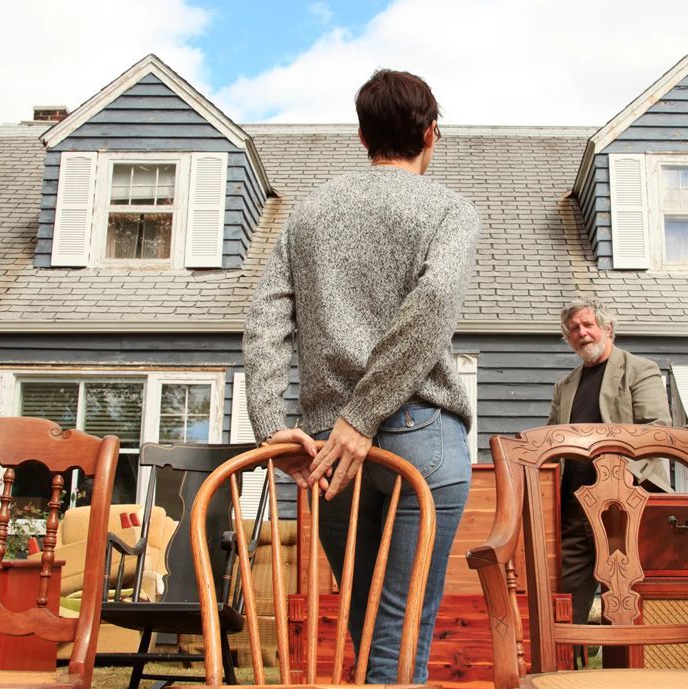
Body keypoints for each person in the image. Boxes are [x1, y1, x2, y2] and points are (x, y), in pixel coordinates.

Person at [242, 69, 479, 684]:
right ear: (431, 133)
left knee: (367, 624)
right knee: (398, 628)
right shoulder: (450, 210)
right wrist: (363, 418)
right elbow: (428, 314)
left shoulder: (309, 213)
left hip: (327, 450)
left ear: (360, 135)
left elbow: (266, 320)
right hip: (419, 436)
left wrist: (274, 426)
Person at [547, 296, 671, 629]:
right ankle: (566, 674)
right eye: (573, 329)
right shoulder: (564, 386)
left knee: (625, 594)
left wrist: (627, 475)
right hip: (574, 506)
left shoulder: (639, 369)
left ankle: (629, 675)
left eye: (588, 324)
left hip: (624, 504)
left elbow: (657, 429)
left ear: (607, 328)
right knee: (566, 598)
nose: (582, 333)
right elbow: (549, 440)